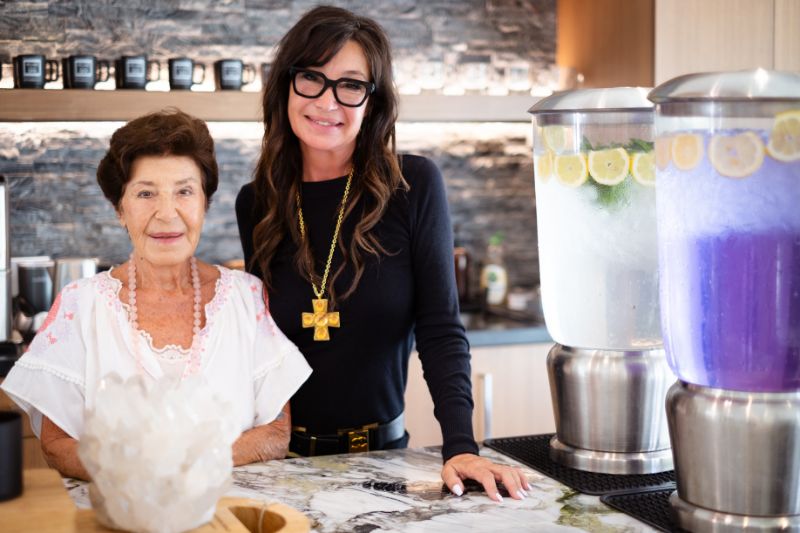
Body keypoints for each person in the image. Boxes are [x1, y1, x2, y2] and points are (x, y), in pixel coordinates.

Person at [236, 5, 529, 502]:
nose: (328, 101)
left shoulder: (412, 186)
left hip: (382, 460)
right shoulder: (258, 203)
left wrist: (460, 445)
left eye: (350, 84)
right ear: (286, 85)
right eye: (312, 77)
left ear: (373, 101)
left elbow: (440, 328)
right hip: (278, 466)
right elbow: (262, 350)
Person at [1, 109, 312, 480]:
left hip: (231, 515)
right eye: (146, 193)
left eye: (184, 191)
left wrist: (186, 468)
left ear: (205, 203)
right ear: (120, 208)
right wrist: (140, 477)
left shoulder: (246, 298)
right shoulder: (81, 306)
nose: (167, 214)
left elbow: (276, 434)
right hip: (119, 515)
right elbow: (57, 444)